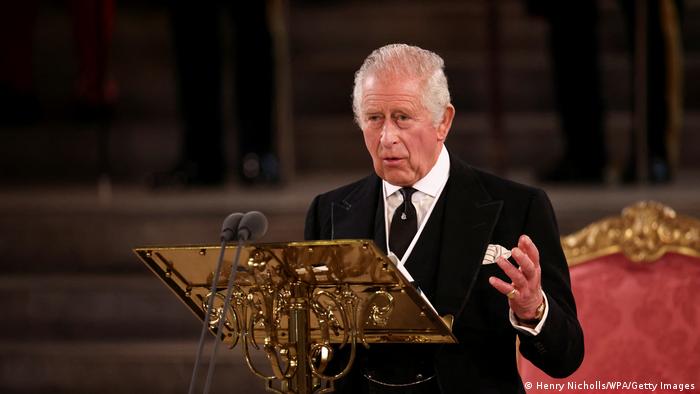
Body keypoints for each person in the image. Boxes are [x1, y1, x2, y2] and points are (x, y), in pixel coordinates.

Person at [305, 44, 583, 393]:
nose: (386, 137)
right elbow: (319, 358)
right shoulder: (328, 211)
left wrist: (533, 310)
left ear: (443, 122)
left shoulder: (517, 208)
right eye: (374, 118)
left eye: (402, 118)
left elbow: (566, 358)